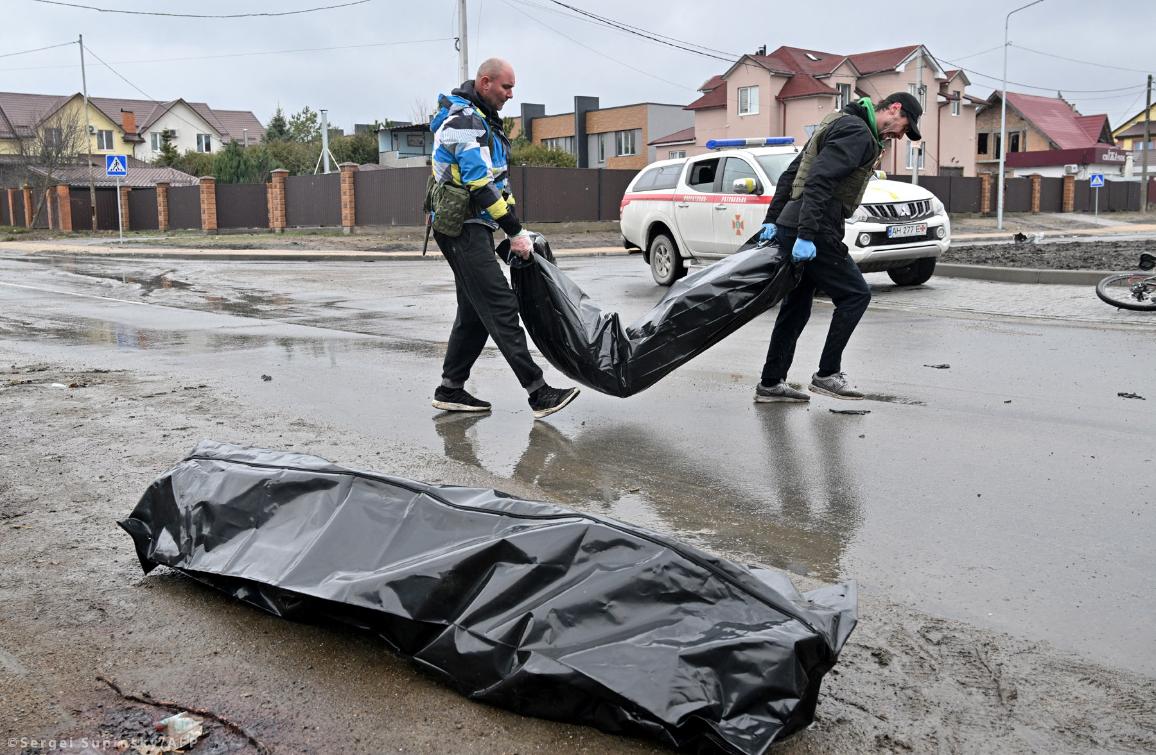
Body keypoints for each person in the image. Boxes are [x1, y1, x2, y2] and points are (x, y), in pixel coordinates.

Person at [428, 58, 580, 419]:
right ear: (484, 83)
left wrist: (518, 229)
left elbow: (499, 184)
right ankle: (538, 392)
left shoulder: (484, 122)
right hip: (460, 228)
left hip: (473, 225)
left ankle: (450, 389)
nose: (511, 95)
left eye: (513, 88)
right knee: (500, 304)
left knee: (475, 312)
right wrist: (512, 231)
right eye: (506, 87)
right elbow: (479, 185)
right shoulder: (464, 123)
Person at [753, 92, 922, 403]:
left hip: (799, 223)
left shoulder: (837, 122)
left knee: (797, 306)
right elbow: (818, 180)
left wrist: (775, 219)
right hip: (815, 227)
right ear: (895, 109)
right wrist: (806, 234)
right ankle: (828, 374)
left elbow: (793, 173)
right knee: (856, 295)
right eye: (904, 126)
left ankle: (771, 382)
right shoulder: (857, 133)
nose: (900, 135)